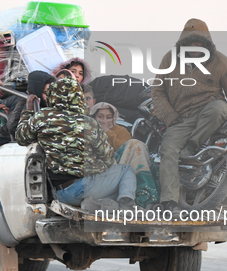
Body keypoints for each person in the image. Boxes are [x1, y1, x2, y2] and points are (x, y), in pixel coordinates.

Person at [151, 18, 227, 211]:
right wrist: (169, 116)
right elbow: (157, 91)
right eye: (190, 41)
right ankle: (169, 201)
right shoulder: (169, 59)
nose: (194, 45)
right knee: (168, 149)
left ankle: (193, 144)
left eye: (199, 42)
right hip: (180, 117)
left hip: (209, 113)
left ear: (207, 44)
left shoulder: (220, 61)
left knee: (220, 108)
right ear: (183, 43)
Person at [15, 77, 139, 212]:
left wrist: (28, 111)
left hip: (60, 194)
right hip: (85, 187)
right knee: (125, 171)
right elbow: (108, 157)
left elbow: (21, 138)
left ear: (52, 96)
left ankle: (96, 204)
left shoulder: (41, 117)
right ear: (78, 97)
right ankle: (126, 206)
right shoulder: (89, 123)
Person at [91, 102, 160, 207]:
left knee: (136, 145)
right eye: (100, 117)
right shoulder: (88, 131)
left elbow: (126, 150)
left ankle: (145, 196)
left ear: (114, 117)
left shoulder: (120, 131)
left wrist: (108, 132)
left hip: (121, 167)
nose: (104, 120)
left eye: (108, 117)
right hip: (99, 173)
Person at [0, 71, 56, 147]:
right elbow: (13, 128)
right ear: (35, 90)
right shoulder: (22, 100)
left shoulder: (59, 107)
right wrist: (29, 110)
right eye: (46, 93)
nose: (50, 96)